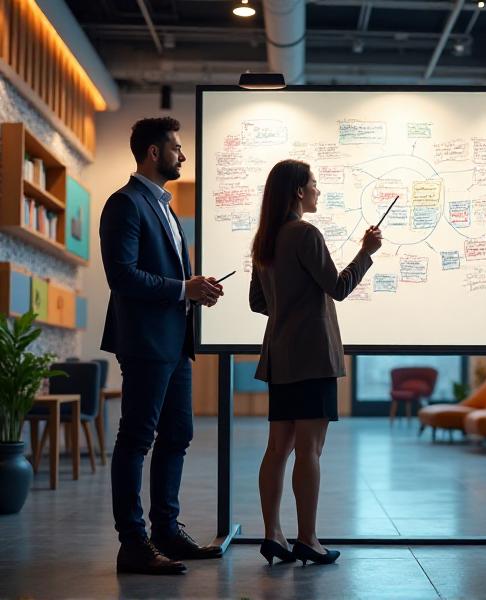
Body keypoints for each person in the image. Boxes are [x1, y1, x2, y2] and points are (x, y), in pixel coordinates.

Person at [100, 117, 225, 575]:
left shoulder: (167, 209)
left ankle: (166, 531)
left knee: (177, 436)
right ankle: (133, 544)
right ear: (154, 153)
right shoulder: (125, 204)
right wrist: (181, 288)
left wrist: (194, 289)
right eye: (176, 148)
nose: (182, 155)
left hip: (175, 343)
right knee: (135, 440)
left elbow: (168, 278)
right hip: (146, 343)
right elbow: (122, 276)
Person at [249, 159, 382, 566]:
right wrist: (366, 252)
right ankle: (308, 539)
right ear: (297, 192)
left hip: (280, 355)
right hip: (313, 357)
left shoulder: (266, 239)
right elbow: (338, 287)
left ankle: (273, 534)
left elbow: (258, 303)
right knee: (310, 450)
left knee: (278, 448)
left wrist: (287, 300)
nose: (318, 190)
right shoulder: (305, 233)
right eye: (314, 184)